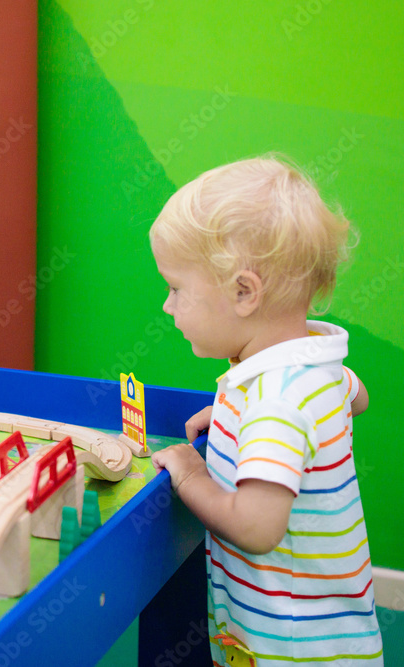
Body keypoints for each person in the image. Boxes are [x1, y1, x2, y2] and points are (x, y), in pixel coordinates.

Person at [148, 156, 382, 664]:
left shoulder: (275, 402)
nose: (168, 306)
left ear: (244, 292)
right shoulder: (315, 360)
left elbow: (257, 528)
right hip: (326, 635)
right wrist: (239, 421)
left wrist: (192, 475)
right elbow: (353, 397)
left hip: (294, 650)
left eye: (176, 288)